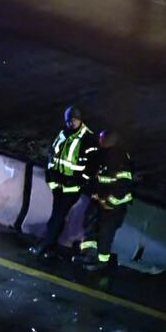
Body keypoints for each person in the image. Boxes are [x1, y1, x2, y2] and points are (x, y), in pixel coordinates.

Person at [29, 107, 97, 257]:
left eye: (73, 121)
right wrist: (50, 175)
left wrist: (78, 182)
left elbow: (91, 168)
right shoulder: (63, 133)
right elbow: (52, 154)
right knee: (57, 216)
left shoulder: (88, 139)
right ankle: (50, 246)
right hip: (59, 185)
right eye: (68, 121)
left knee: (57, 216)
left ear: (80, 120)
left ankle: (45, 244)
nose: (71, 124)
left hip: (72, 188)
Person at [74, 129, 133, 271]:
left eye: (101, 138)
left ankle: (101, 262)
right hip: (100, 202)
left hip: (114, 206)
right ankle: (88, 254)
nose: (99, 140)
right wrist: (95, 194)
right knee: (90, 226)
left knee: (105, 233)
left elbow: (123, 185)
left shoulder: (120, 158)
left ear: (108, 140)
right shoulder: (102, 155)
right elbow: (97, 178)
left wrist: (109, 202)